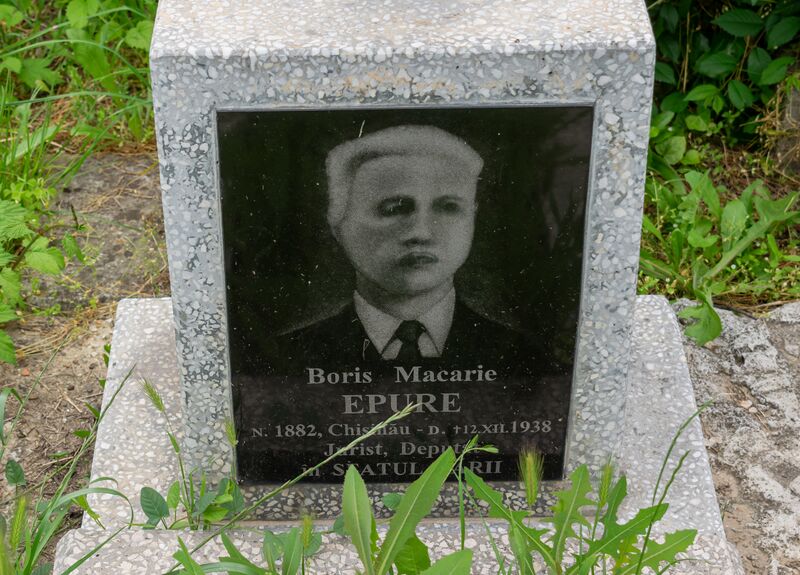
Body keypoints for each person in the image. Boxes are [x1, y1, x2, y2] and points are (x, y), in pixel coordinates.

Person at [275, 124, 541, 375]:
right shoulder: (284, 361)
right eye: (394, 208)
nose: (421, 233)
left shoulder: (527, 360)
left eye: (449, 207)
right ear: (338, 223)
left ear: (472, 217)